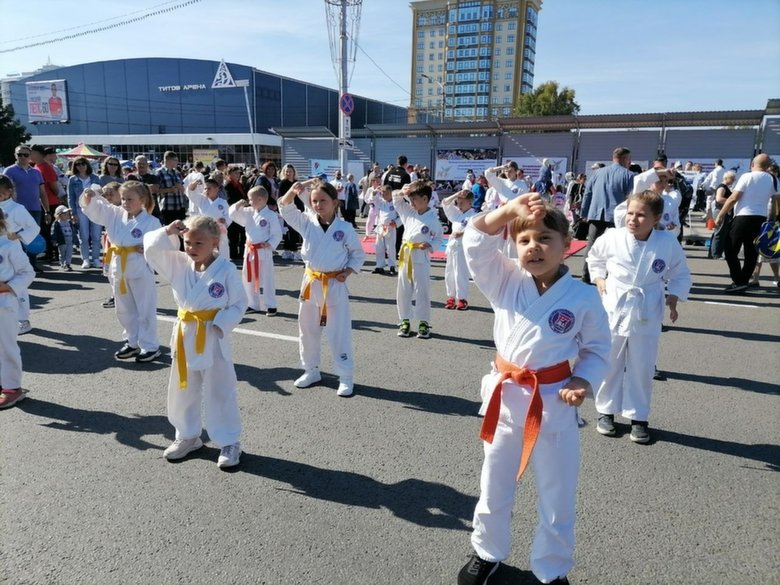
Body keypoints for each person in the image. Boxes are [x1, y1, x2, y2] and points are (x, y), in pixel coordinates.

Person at [458, 194, 611, 585]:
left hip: (554, 403)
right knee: (494, 486)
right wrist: (509, 212)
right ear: (513, 246)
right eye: (524, 240)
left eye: (545, 238)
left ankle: (552, 569)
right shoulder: (505, 279)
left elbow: (597, 350)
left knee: (557, 494)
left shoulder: (583, 297)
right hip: (506, 400)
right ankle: (486, 552)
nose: (534, 248)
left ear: (567, 244)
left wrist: (582, 380)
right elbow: (474, 240)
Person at [587, 190, 691, 444]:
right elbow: (594, 258)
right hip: (614, 304)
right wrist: (599, 279)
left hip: (647, 307)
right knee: (609, 361)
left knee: (642, 367)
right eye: (630, 213)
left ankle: (639, 416)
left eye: (641, 215)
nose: (633, 219)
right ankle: (606, 411)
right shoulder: (612, 237)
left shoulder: (667, 242)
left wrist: (673, 298)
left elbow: (680, 273)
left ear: (656, 218)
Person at [143, 215, 246, 468]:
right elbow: (151, 249)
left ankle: (229, 441)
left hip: (213, 335)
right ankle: (187, 435)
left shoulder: (226, 270)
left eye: (199, 243)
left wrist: (221, 324)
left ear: (215, 242)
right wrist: (167, 230)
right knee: (182, 387)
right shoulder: (178, 264)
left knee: (220, 389)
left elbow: (239, 304)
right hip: (185, 333)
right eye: (187, 242)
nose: (191, 248)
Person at [278, 179, 365, 397]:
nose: (318, 205)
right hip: (310, 283)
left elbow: (358, 254)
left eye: (323, 201)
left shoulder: (344, 228)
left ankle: (345, 376)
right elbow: (285, 208)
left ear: (335, 202)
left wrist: (348, 271)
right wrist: (293, 189)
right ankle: (311, 369)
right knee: (307, 329)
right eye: (314, 201)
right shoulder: (307, 222)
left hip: (334, 284)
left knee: (338, 331)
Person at [80, 181, 162, 363]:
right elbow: (95, 209)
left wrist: (149, 247)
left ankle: (150, 346)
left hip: (140, 268)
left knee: (145, 309)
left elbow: (163, 243)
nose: (125, 203)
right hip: (119, 266)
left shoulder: (151, 221)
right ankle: (131, 341)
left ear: (142, 200)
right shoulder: (115, 214)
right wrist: (89, 196)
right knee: (124, 309)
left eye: (130, 199)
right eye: (123, 198)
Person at [715, 154, 777, 293]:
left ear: (752, 164)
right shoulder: (773, 179)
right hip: (761, 219)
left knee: (730, 249)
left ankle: (738, 280)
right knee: (751, 253)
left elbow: (733, 198)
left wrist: (721, 214)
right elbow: (776, 199)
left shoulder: (747, 176)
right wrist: (772, 217)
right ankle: (743, 280)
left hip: (743, 217)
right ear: (767, 166)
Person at [394, 181, 443, 339]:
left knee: (422, 291)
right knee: (403, 290)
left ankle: (423, 321)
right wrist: (403, 191)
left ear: (425, 199)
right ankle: (405, 320)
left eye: (414, 199)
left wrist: (430, 245)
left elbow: (439, 238)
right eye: (411, 199)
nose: (412, 203)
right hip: (406, 256)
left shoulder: (433, 219)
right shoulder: (408, 212)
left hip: (421, 258)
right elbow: (396, 199)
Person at [579, 147, 635, 283]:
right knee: (617, 247)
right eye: (629, 159)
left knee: (592, 246)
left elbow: (588, 193)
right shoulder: (629, 175)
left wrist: (584, 213)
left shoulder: (597, 173)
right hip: (617, 217)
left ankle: (586, 277)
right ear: (625, 159)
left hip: (596, 214)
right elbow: (631, 199)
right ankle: (613, 277)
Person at [0, 208, 35, 409]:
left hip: (4, 303)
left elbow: (27, 273)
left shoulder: (9, 245)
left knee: (6, 346)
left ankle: (13, 388)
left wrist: (7, 286)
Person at [229, 186, 282, 315]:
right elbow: (232, 214)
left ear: (260, 199)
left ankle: (271, 305)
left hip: (263, 250)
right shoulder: (248, 212)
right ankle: (252, 304)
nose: (249, 201)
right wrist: (237, 205)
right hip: (249, 249)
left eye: (251, 199)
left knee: (267, 278)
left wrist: (270, 243)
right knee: (248, 278)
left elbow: (277, 233)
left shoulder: (270, 215)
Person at [0, 175, 40, 335]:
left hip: (12, 249)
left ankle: (23, 320)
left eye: (0, 193)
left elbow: (33, 227)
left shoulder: (17, 209)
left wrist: (18, 235)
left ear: (9, 192)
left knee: (18, 284)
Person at [3, 145, 49, 273]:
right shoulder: (9, 171)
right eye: (20, 154)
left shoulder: (36, 172)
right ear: (15, 155)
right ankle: (18, 267)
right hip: (15, 211)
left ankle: (32, 265)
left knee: (32, 237)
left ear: (30, 156)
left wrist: (47, 211)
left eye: (25, 155)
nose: (23, 157)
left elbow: (43, 193)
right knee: (16, 239)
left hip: (35, 209)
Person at [442, 189, 475, 310]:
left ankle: (462, 298)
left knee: (460, 273)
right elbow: (445, 202)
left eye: (462, 203)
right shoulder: (456, 213)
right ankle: (451, 296)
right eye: (458, 202)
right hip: (452, 246)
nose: (459, 205)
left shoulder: (473, 215)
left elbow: (476, 230)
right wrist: (457, 194)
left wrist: (463, 233)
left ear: (470, 203)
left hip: (463, 247)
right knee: (449, 273)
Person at [67, 157, 102, 269]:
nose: (80, 166)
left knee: (96, 235)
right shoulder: (72, 179)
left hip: (95, 209)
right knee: (84, 235)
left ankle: (96, 258)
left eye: (83, 164)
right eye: (78, 164)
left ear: (87, 165)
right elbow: (70, 198)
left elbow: (101, 195)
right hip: (80, 209)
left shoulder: (95, 178)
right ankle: (85, 259)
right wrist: (72, 213)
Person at [185, 177, 231, 258]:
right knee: (206, 252)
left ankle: (223, 265)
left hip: (219, 230)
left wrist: (225, 220)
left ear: (216, 189)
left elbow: (229, 216)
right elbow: (191, 193)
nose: (206, 191)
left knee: (222, 251)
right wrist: (195, 183)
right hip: (204, 230)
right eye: (205, 188)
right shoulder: (201, 199)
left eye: (209, 188)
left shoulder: (223, 202)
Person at [30, 145, 60, 263]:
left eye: (32, 153)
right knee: (43, 230)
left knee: (50, 230)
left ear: (39, 154)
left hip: (50, 203)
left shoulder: (46, 167)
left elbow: (55, 187)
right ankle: (48, 252)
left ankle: (54, 253)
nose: (30, 155)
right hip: (41, 203)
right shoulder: (36, 166)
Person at [370, 185, 399, 275]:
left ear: (391, 193)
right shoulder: (381, 202)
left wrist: (396, 222)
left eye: (386, 193)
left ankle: (392, 266)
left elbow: (401, 216)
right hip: (381, 228)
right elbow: (374, 199)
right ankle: (379, 266)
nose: (384, 195)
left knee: (390, 248)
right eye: (382, 193)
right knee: (379, 247)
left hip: (390, 228)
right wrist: (375, 192)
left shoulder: (396, 203)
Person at [278, 164, 303, 260]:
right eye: (286, 171)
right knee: (289, 230)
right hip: (287, 209)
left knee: (296, 230)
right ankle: (292, 250)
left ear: (294, 172)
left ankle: (292, 250)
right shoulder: (283, 183)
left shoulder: (297, 183)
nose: (288, 173)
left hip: (298, 208)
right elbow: (281, 197)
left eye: (290, 171)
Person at [156, 151, 186, 227]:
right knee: (169, 234)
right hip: (167, 209)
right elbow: (155, 190)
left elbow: (183, 190)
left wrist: (180, 187)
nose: (177, 162)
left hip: (180, 208)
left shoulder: (177, 173)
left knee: (181, 233)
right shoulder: (159, 173)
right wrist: (170, 190)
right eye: (176, 160)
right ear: (169, 160)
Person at [50, 205, 77, 271]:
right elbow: (53, 232)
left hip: (70, 241)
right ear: (59, 215)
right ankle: (63, 263)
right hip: (62, 241)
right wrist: (54, 240)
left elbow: (73, 231)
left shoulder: (69, 222)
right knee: (63, 253)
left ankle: (67, 264)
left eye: (67, 214)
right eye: (65, 214)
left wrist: (75, 239)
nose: (67, 215)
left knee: (69, 253)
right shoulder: (57, 223)